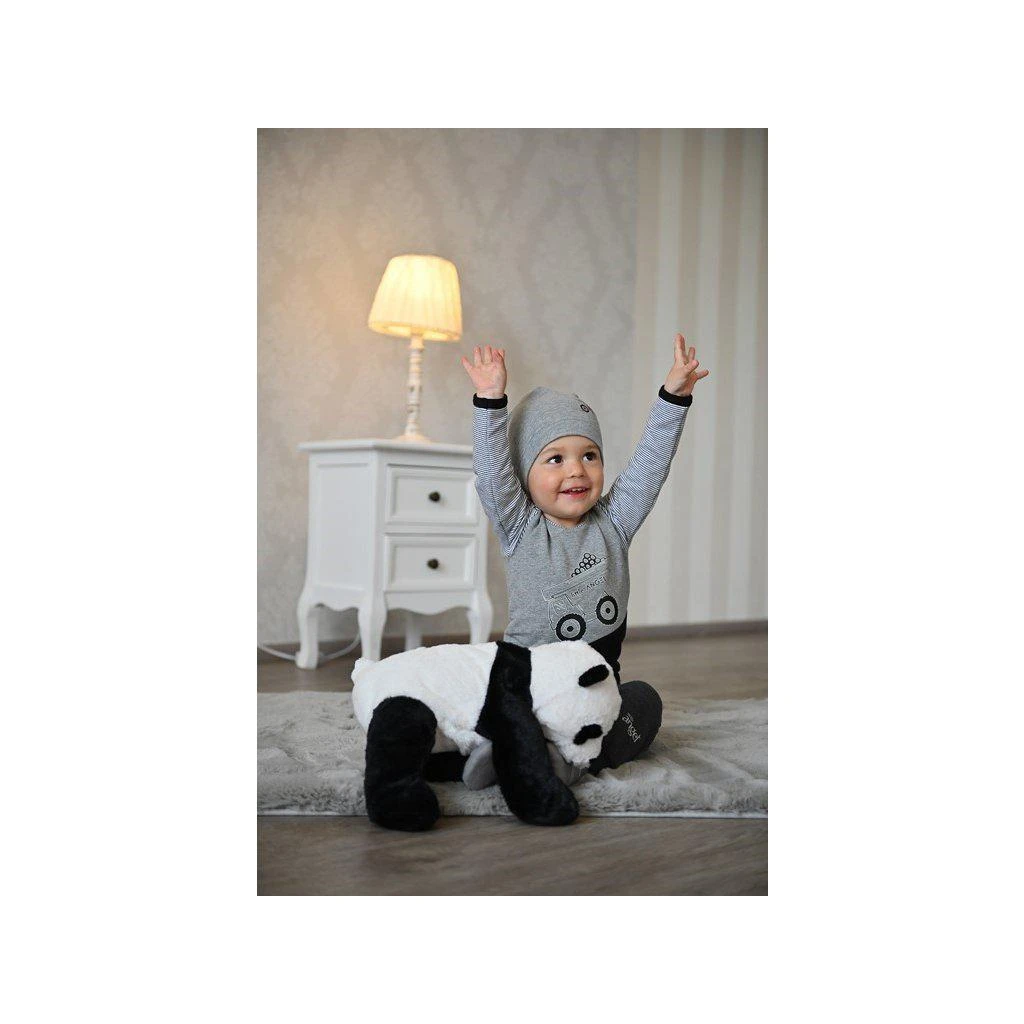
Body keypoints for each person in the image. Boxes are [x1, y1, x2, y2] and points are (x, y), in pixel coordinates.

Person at [452, 334, 709, 790]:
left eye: (589, 455)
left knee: (644, 703)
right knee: (482, 698)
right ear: (523, 476)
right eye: (555, 459)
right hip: (529, 681)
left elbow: (650, 464)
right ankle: (508, 743)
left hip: (594, 691)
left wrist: (673, 399)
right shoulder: (519, 525)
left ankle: (568, 757)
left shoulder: (616, 521)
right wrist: (490, 402)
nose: (576, 469)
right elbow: (491, 473)